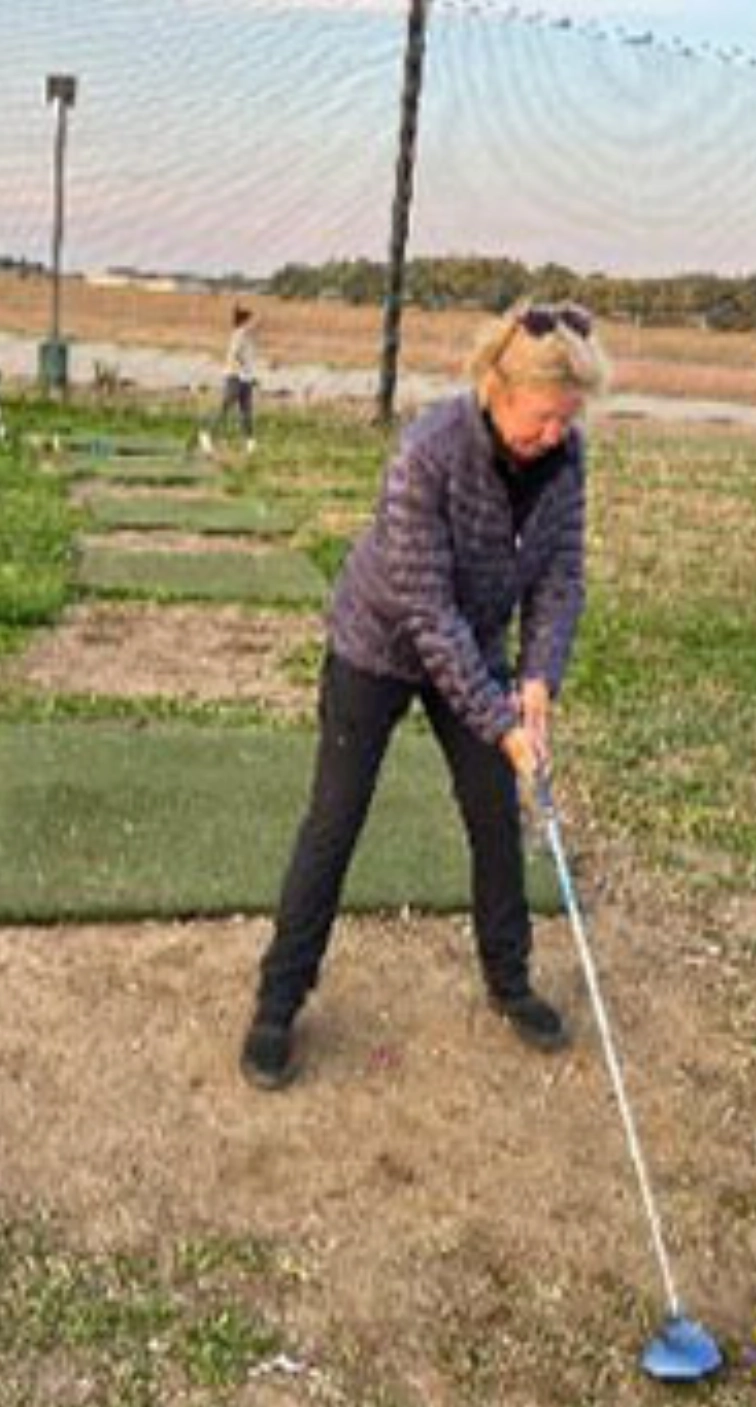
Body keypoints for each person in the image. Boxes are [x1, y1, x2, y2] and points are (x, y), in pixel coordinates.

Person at [240, 299, 611, 1090]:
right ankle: (278, 1000)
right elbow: (427, 613)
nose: (556, 435)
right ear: (496, 387)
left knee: (493, 815)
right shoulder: (428, 452)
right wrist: (501, 720)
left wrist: (540, 676)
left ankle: (509, 982)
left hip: (472, 649)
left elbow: (560, 576)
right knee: (335, 820)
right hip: (377, 644)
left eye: (567, 421)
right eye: (544, 418)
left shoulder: (565, 460)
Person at [199, 304, 261, 455]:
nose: (255, 323)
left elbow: (248, 358)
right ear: (245, 321)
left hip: (245, 379)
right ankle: (206, 435)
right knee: (225, 408)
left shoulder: (248, 336)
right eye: (252, 320)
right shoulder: (239, 334)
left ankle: (250, 444)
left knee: (246, 412)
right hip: (235, 378)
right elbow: (234, 355)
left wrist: (252, 376)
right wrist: (239, 373)